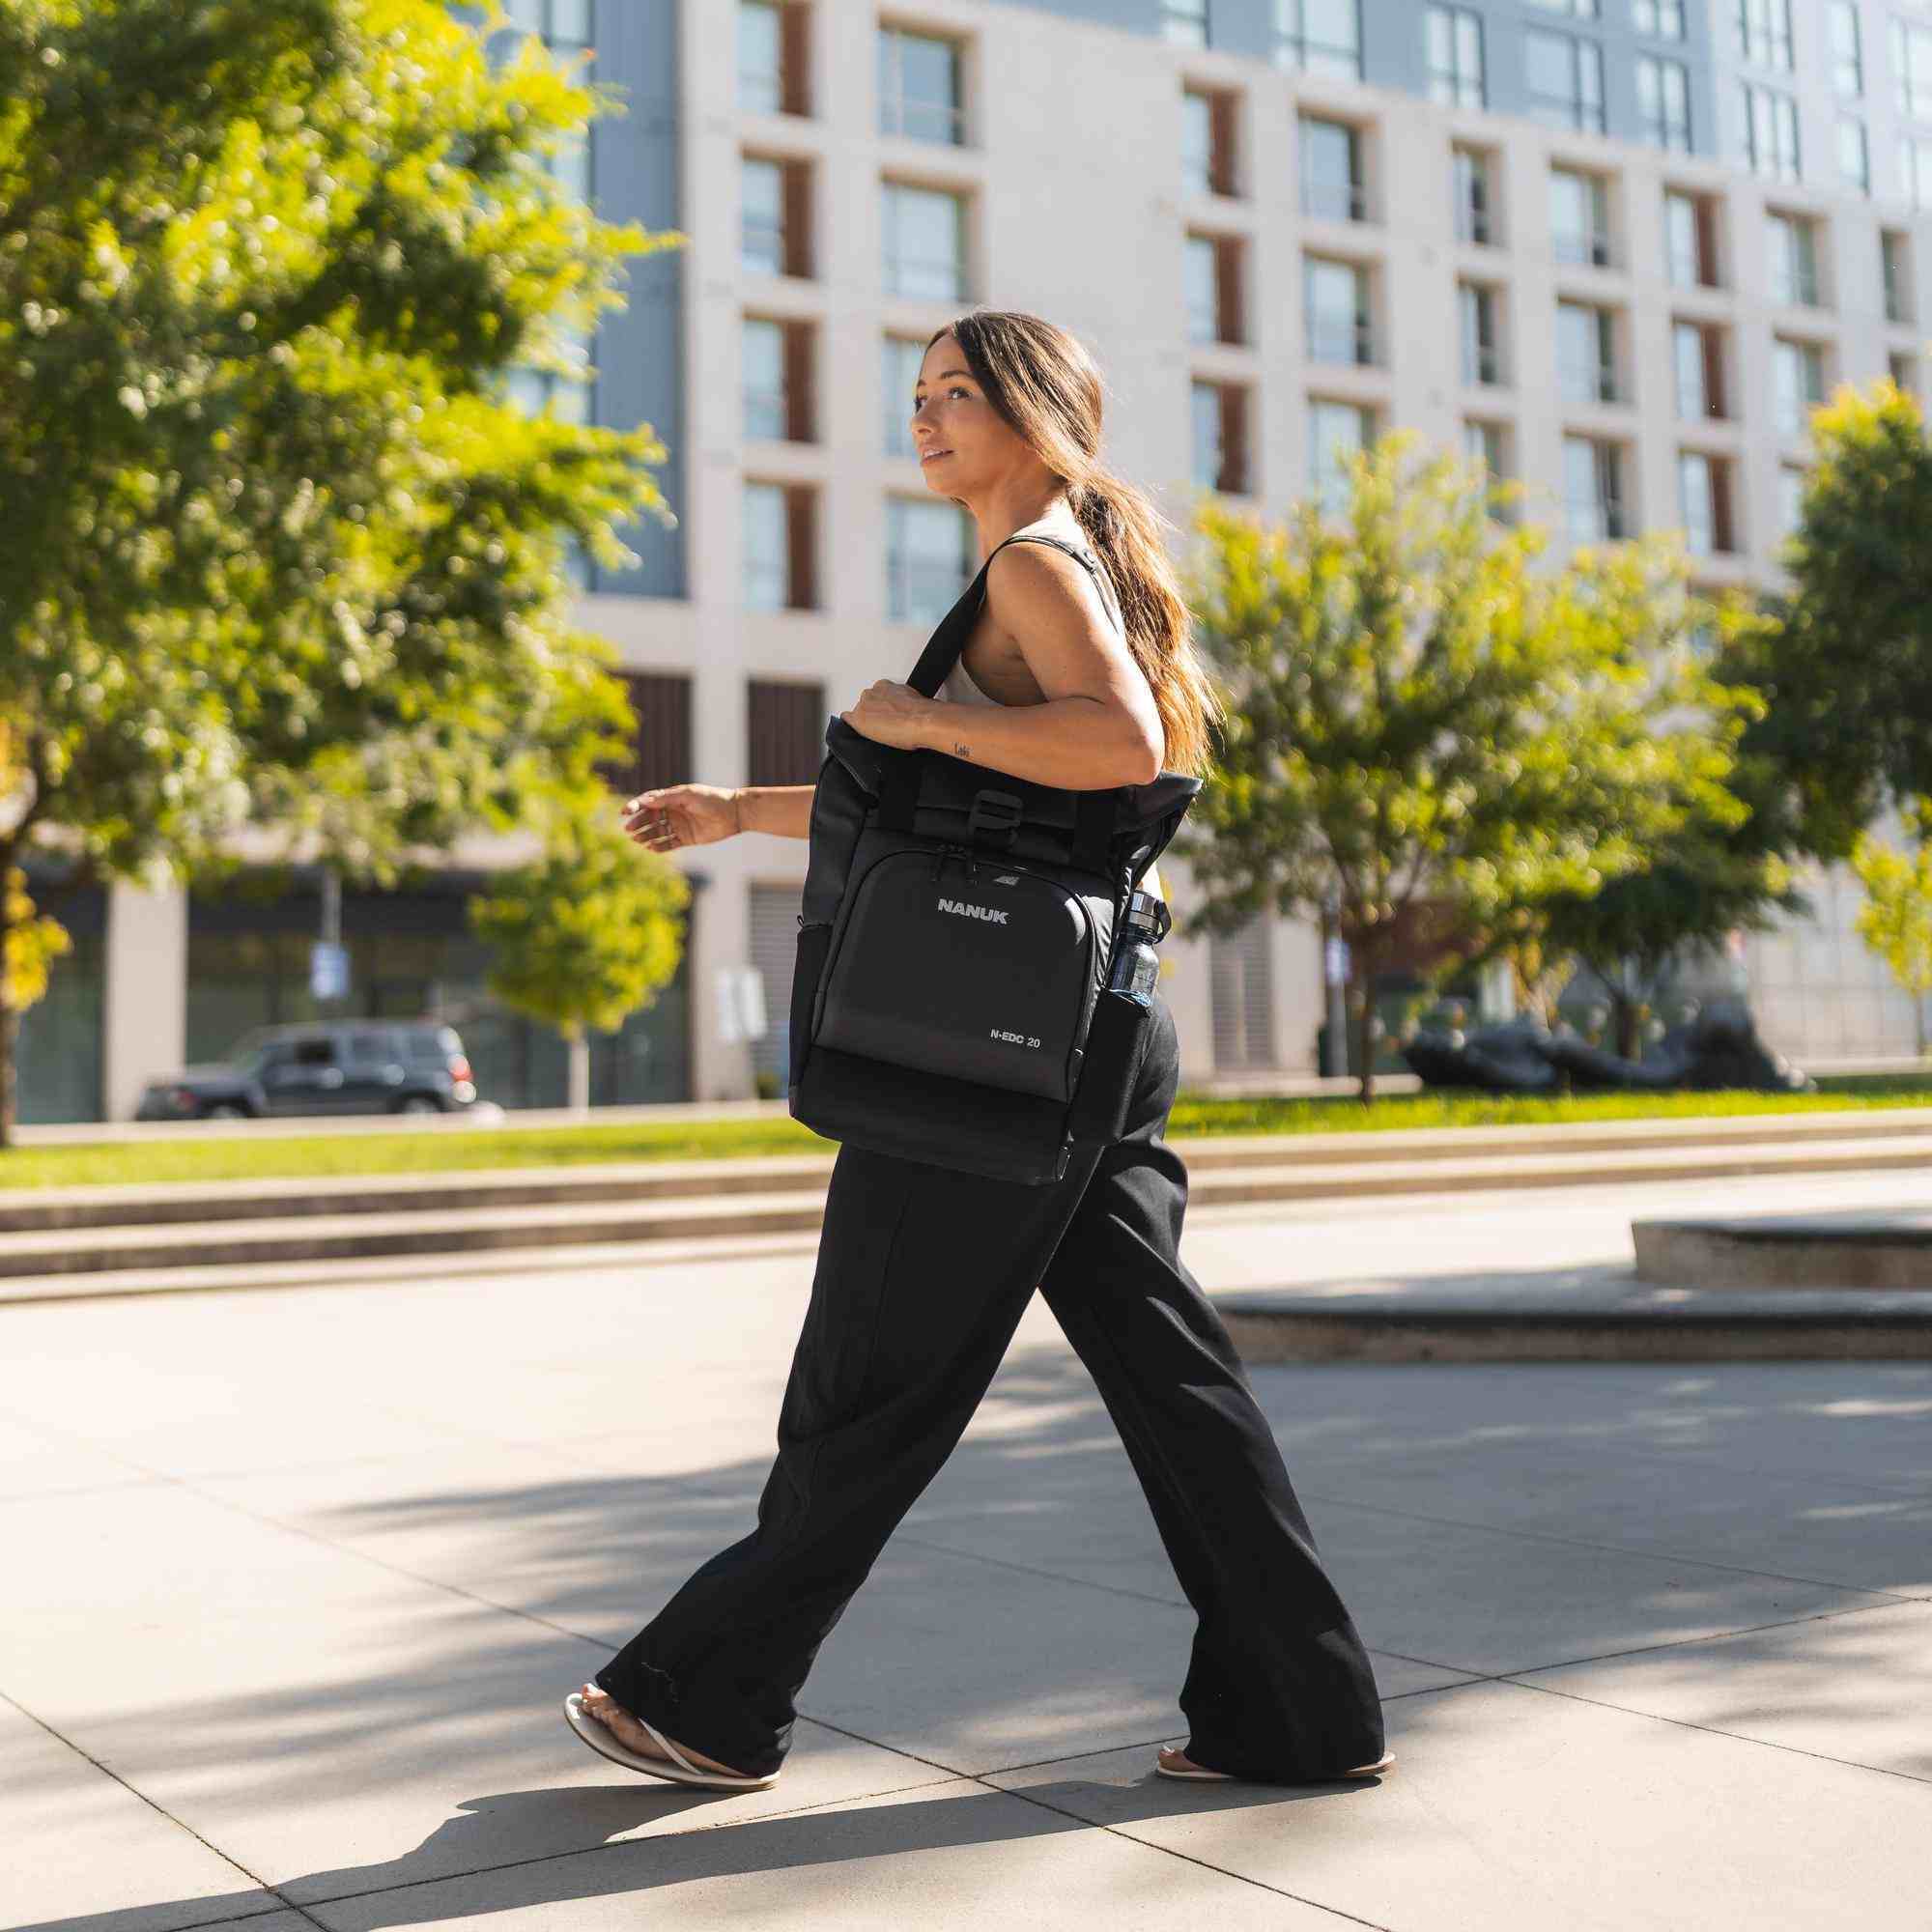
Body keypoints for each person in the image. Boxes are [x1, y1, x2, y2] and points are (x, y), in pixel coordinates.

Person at [566, 309, 1393, 1792]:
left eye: (957, 394)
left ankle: (709, 1696)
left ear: (1036, 412)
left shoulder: (1033, 561)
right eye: (919, 395)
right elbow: (964, 814)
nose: (924, 418)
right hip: (1085, 1040)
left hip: (993, 1057)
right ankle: (1298, 1707)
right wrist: (737, 812)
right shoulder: (1059, 561)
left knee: (872, 1381)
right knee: (1169, 1376)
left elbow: (1119, 745)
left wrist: (918, 728)